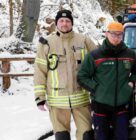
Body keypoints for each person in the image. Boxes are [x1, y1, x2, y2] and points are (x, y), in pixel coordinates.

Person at [34, 9, 97, 140]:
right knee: (62, 136)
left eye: (67, 21)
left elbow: (100, 63)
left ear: (72, 23)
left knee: (87, 135)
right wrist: (40, 97)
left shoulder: (84, 41)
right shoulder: (46, 44)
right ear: (56, 23)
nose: (64, 24)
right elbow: (40, 71)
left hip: (81, 99)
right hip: (57, 101)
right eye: (61, 21)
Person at [77, 21, 136, 140]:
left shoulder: (130, 54)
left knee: (122, 137)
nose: (116, 38)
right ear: (106, 34)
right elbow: (82, 76)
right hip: (100, 105)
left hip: (122, 106)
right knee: (101, 137)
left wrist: (132, 82)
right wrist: (96, 88)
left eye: (119, 35)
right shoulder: (95, 55)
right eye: (113, 34)